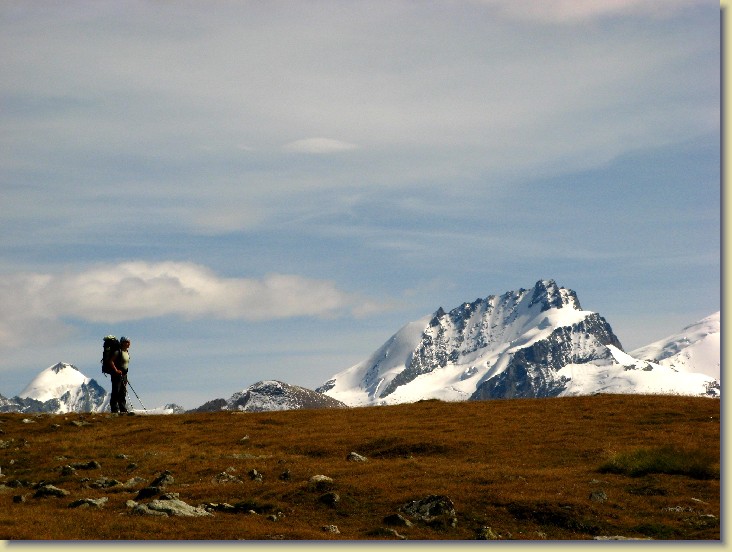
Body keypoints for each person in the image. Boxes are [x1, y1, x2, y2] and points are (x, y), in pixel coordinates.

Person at [108, 336, 132, 414]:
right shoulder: (118, 352)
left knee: (123, 392)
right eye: (127, 342)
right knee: (116, 391)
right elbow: (111, 361)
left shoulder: (127, 352)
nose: (129, 343)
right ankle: (114, 409)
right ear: (123, 343)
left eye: (129, 342)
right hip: (116, 375)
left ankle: (122, 409)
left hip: (124, 374)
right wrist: (116, 370)